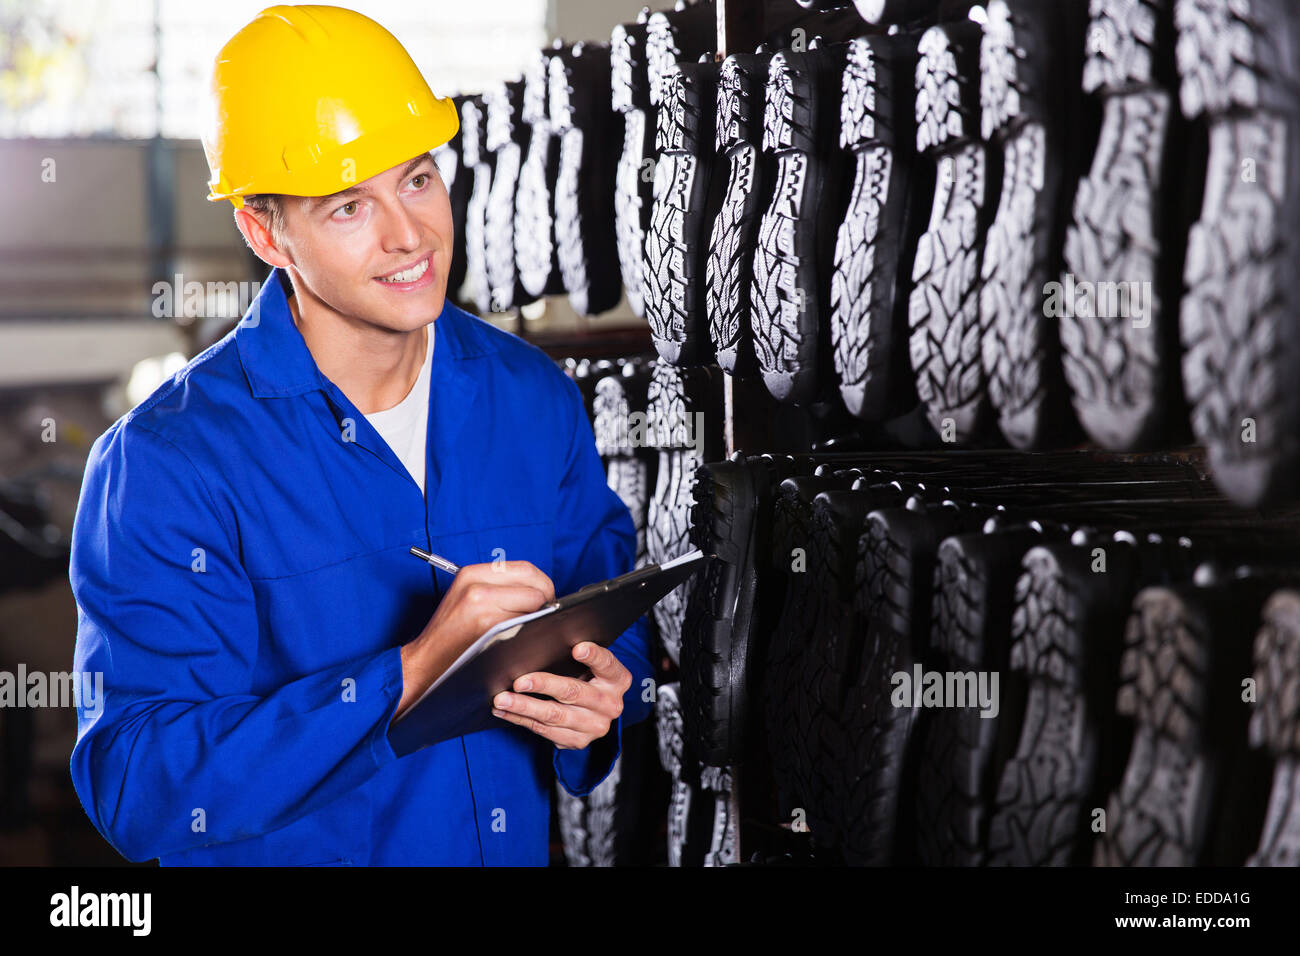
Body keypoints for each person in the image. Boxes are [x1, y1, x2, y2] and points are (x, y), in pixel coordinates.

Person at [67, 3, 652, 866]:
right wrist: (412, 671)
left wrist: (605, 693)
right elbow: (139, 784)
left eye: (416, 179)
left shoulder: (529, 397)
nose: (410, 235)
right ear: (266, 232)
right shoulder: (167, 463)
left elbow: (609, 612)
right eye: (348, 207)